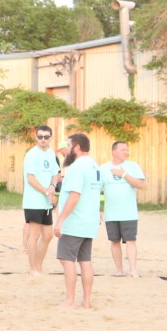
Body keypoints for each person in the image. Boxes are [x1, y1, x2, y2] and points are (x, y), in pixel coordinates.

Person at [52, 132, 102, 309]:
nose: (67, 149)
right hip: (89, 221)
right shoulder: (95, 166)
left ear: (78, 147)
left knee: (67, 260)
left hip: (75, 221)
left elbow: (74, 196)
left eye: (69, 145)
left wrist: (60, 220)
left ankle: (70, 300)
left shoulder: (77, 167)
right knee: (85, 261)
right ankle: (86, 301)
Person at [101, 141, 146, 278]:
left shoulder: (133, 166)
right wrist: (99, 210)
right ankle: (119, 270)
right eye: (123, 150)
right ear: (114, 152)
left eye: (127, 149)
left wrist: (124, 175)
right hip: (111, 213)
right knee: (114, 241)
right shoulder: (103, 169)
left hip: (128, 212)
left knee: (131, 240)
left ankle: (133, 270)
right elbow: (96, 189)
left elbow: (140, 185)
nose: (126, 152)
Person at [22, 126, 59, 274]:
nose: (43, 139)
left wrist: (52, 186)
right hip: (33, 201)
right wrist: (46, 191)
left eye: (46, 137)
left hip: (46, 202)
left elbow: (55, 174)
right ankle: (33, 268)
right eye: (40, 136)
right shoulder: (32, 154)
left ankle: (38, 265)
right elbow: (31, 179)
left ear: (51, 138)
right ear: (36, 137)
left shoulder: (51, 154)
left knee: (48, 235)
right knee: (35, 234)